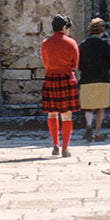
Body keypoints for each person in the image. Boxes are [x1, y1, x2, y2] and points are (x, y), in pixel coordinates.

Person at [41, 14, 80, 158]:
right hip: (67, 78)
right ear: (64, 27)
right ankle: (65, 148)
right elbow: (75, 64)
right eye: (67, 28)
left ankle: (55, 145)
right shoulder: (72, 43)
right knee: (67, 114)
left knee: (52, 113)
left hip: (50, 77)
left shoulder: (45, 43)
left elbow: (45, 64)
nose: (68, 30)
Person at [78, 16, 110, 142]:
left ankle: (88, 126)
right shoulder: (105, 45)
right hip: (102, 79)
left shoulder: (83, 45)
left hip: (87, 78)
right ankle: (98, 133)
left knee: (89, 107)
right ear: (102, 31)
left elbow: (79, 63)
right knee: (100, 107)